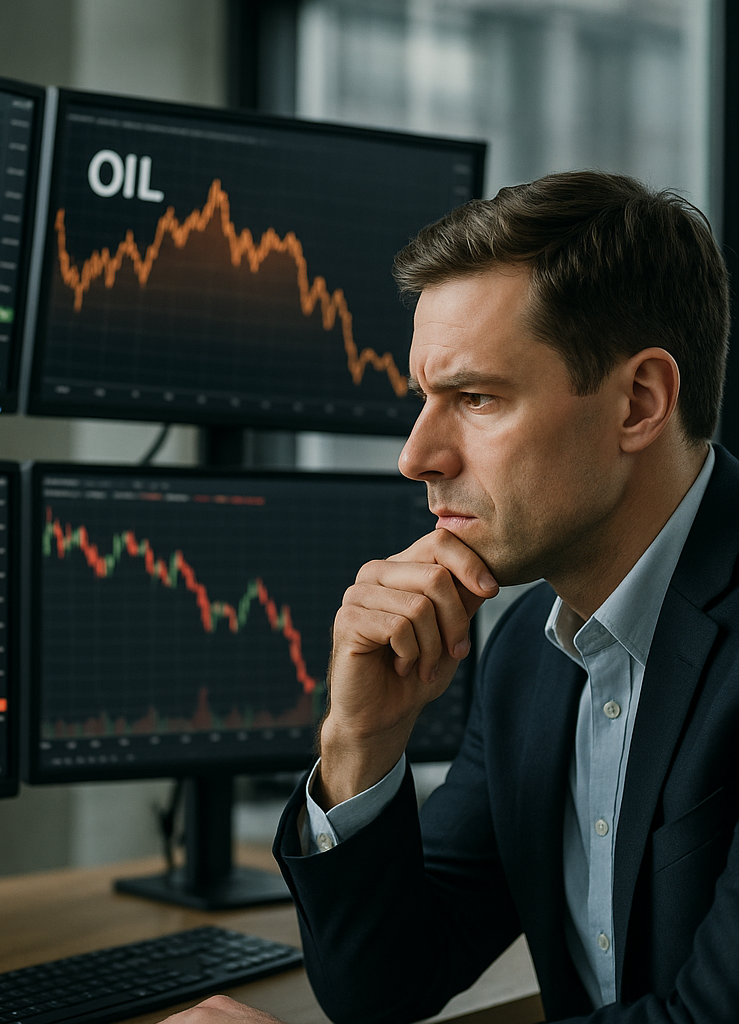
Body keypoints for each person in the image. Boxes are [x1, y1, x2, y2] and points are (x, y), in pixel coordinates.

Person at [161, 170, 739, 1023]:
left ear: (639, 402)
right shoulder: (525, 658)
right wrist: (360, 740)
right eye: (423, 401)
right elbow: (385, 988)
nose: (417, 455)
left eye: (475, 398)